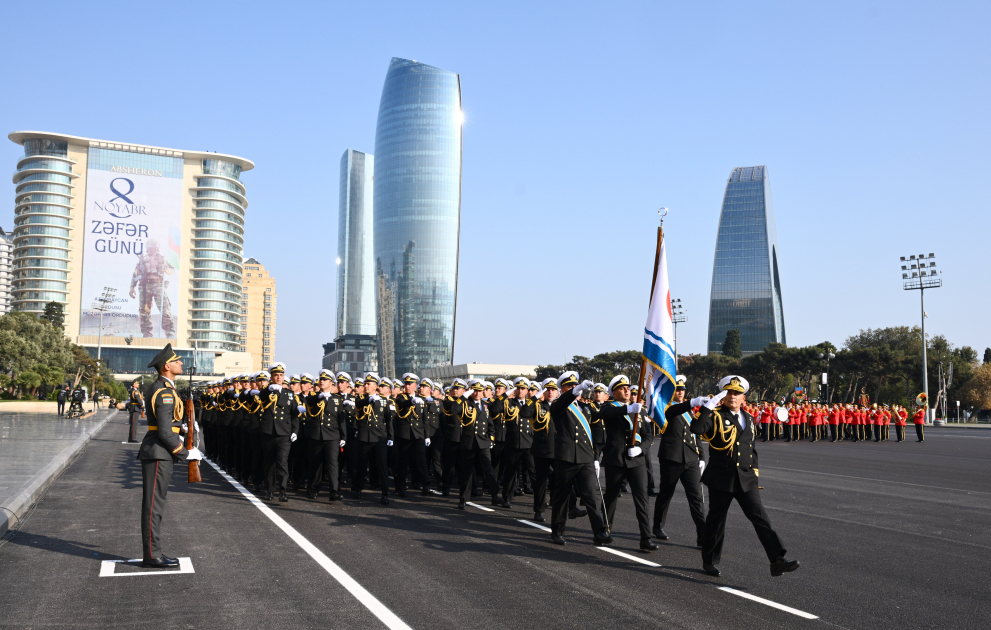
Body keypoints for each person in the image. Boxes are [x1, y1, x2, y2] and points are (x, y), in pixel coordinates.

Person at [691, 375, 799, 578]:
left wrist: (754, 475)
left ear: (744, 397)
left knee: (761, 519)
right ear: (722, 396)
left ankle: (777, 560)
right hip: (721, 477)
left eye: (737, 393)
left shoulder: (748, 418)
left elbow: (751, 450)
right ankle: (710, 561)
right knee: (717, 521)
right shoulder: (715, 416)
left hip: (746, 478)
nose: (733, 396)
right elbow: (696, 429)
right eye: (729, 392)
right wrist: (708, 407)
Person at [137, 343, 203, 568]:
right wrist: (185, 453)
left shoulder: (166, 388)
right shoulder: (164, 391)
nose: (181, 363)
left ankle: (153, 552)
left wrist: (183, 430)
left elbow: (169, 425)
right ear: (167, 366)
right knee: (154, 505)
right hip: (158, 452)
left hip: (160, 451)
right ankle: (152, 555)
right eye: (177, 360)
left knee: (156, 504)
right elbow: (164, 431)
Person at [549, 371, 610, 546]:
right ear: (563, 389)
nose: (575, 389)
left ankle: (599, 532)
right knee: (562, 497)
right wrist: (574, 392)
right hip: (567, 458)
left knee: (591, 496)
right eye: (570, 386)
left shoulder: (584, 407)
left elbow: (598, 422)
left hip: (585, 458)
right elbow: (559, 405)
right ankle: (557, 531)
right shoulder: (559, 404)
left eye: (576, 386)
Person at [596, 375, 657, 551]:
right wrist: (628, 409)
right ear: (614, 392)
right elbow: (604, 414)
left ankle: (646, 538)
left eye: (628, 388)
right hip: (616, 460)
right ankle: (605, 530)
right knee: (611, 497)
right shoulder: (610, 407)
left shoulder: (640, 410)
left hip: (636, 460)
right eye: (622, 388)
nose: (626, 390)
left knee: (642, 499)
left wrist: (642, 449)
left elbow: (648, 435)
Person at [653, 375, 707, 546]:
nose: (681, 392)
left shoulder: (689, 410)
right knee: (666, 494)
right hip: (672, 458)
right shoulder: (665, 407)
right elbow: (671, 413)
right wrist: (690, 404)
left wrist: (702, 456)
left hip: (690, 458)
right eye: (677, 389)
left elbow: (695, 433)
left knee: (696, 498)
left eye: (683, 390)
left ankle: (702, 535)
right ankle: (657, 526)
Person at [454, 379, 507, 510]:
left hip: (483, 443)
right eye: (474, 391)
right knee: (466, 473)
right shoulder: (465, 403)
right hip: (469, 443)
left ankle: (495, 496)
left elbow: (490, 425)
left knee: (489, 471)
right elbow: (454, 410)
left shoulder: (485, 405)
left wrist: (491, 439)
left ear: (483, 392)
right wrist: (463, 396)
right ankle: (463, 499)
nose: (477, 393)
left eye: (479, 391)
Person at [350, 373, 393, 505]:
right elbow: (358, 404)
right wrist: (368, 400)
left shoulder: (384, 401)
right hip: (365, 437)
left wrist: (390, 436)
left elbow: (388, 420)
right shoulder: (361, 398)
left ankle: (385, 493)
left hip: (379, 437)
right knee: (361, 465)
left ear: (375, 386)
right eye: (365, 383)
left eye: (369, 384)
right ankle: (357, 489)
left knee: (382, 466)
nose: (366, 386)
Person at [257, 363, 298, 502]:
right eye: (276, 375)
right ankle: (269, 490)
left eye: (281, 375)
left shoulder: (289, 394)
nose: (279, 378)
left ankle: (282, 490)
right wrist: (269, 390)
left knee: (282, 462)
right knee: (269, 463)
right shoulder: (266, 391)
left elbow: (294, 415)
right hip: (268, 432)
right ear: (271, 377)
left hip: (284, 434)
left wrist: (295, 431)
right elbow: (261, 397)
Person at [304, 369, 347, 501]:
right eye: (320, 379)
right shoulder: (314, 397)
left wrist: (343, 437)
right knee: (316, 463)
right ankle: (313, 489)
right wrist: (319, 397)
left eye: (325, 380)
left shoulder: (337, 400)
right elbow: (308, 402)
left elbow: (341, 421)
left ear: (331, 384)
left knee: (332, 464)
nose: (322, 381)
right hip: (317, 435)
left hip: (332, 436)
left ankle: (334, 490)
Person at [129, 239, 176, 338]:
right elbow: (135, 275)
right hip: (144, 286)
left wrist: (166, 269)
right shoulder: (142, 260)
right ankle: (147, 332)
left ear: (156, 248)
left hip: (158, 285)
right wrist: (132, 287)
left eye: (152, 247)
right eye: (149, 247)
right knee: (144, 311)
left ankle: (169, 331)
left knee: (165, 309)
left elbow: (172, 271)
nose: (150, 249)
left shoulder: (162, 259)